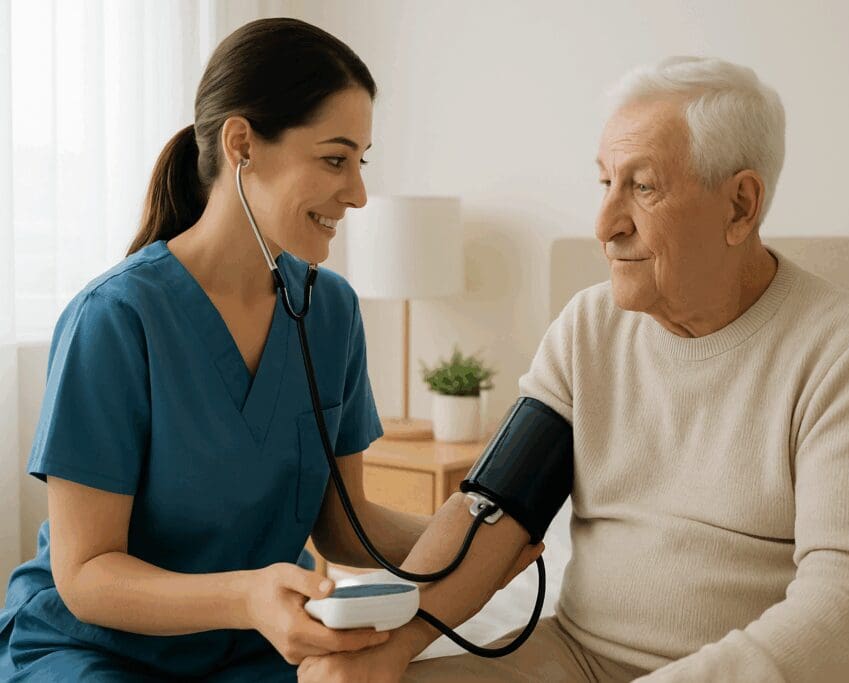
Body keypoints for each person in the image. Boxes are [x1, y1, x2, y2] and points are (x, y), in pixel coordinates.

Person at [300, 57, 849, 683]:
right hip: (579, 658)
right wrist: (393, 644)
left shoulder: (845, 350)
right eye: (605, 183)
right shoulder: (590, 327)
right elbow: (493, 510)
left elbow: (846, 612)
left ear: (739, 206)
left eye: (643, 188)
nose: (605, 226)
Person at [0, 17, 539, 681]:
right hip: (95, 649)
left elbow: (344, 526)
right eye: (335, 159)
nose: (359, 194)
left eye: (360, 162)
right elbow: (85, 574)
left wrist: (478, 542)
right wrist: (246, 596)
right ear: (242, 145)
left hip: (252, 650)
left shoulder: (331, 310)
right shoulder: (116, 319)